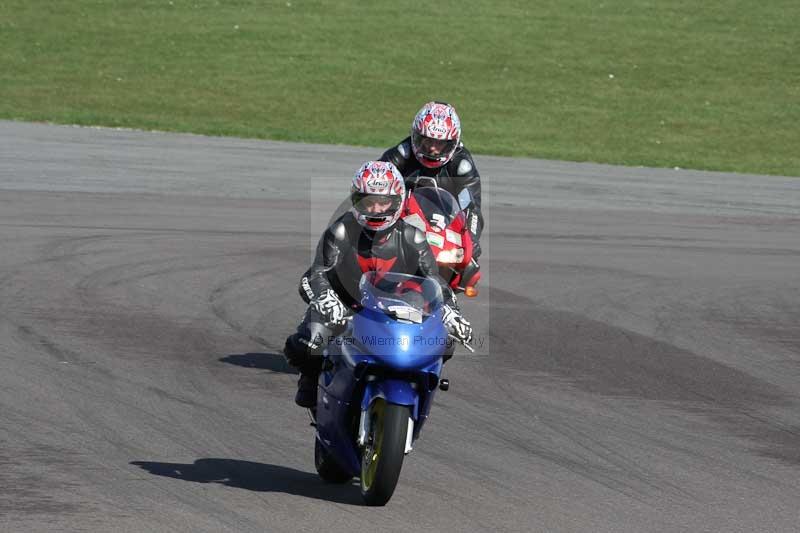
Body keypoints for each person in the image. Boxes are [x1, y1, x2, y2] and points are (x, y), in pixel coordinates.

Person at [284, 161, 473, 408]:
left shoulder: (412, 236)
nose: (375, 209)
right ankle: (311, 378)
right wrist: (326, 298)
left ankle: (421, 384)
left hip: (393, 309)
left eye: (382, 202)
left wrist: (450, 311)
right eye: (368, 201)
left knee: (444, 341)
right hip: (345, 306)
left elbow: (433, 280)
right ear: (356, 200)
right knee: (307, 344)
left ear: (396, 202)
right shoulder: (341, 231)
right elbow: (313, 275)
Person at [379, 101, 484, 259]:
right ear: (416, 137)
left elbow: (472, 209)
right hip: (402, 223)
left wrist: (471, 240)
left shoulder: (461, 165)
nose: (432, 148)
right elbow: (374, 181)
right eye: (427, 141)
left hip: (444, 228)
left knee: (470, 266)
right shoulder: (403, 154)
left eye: (440, 143)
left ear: (452, 143)